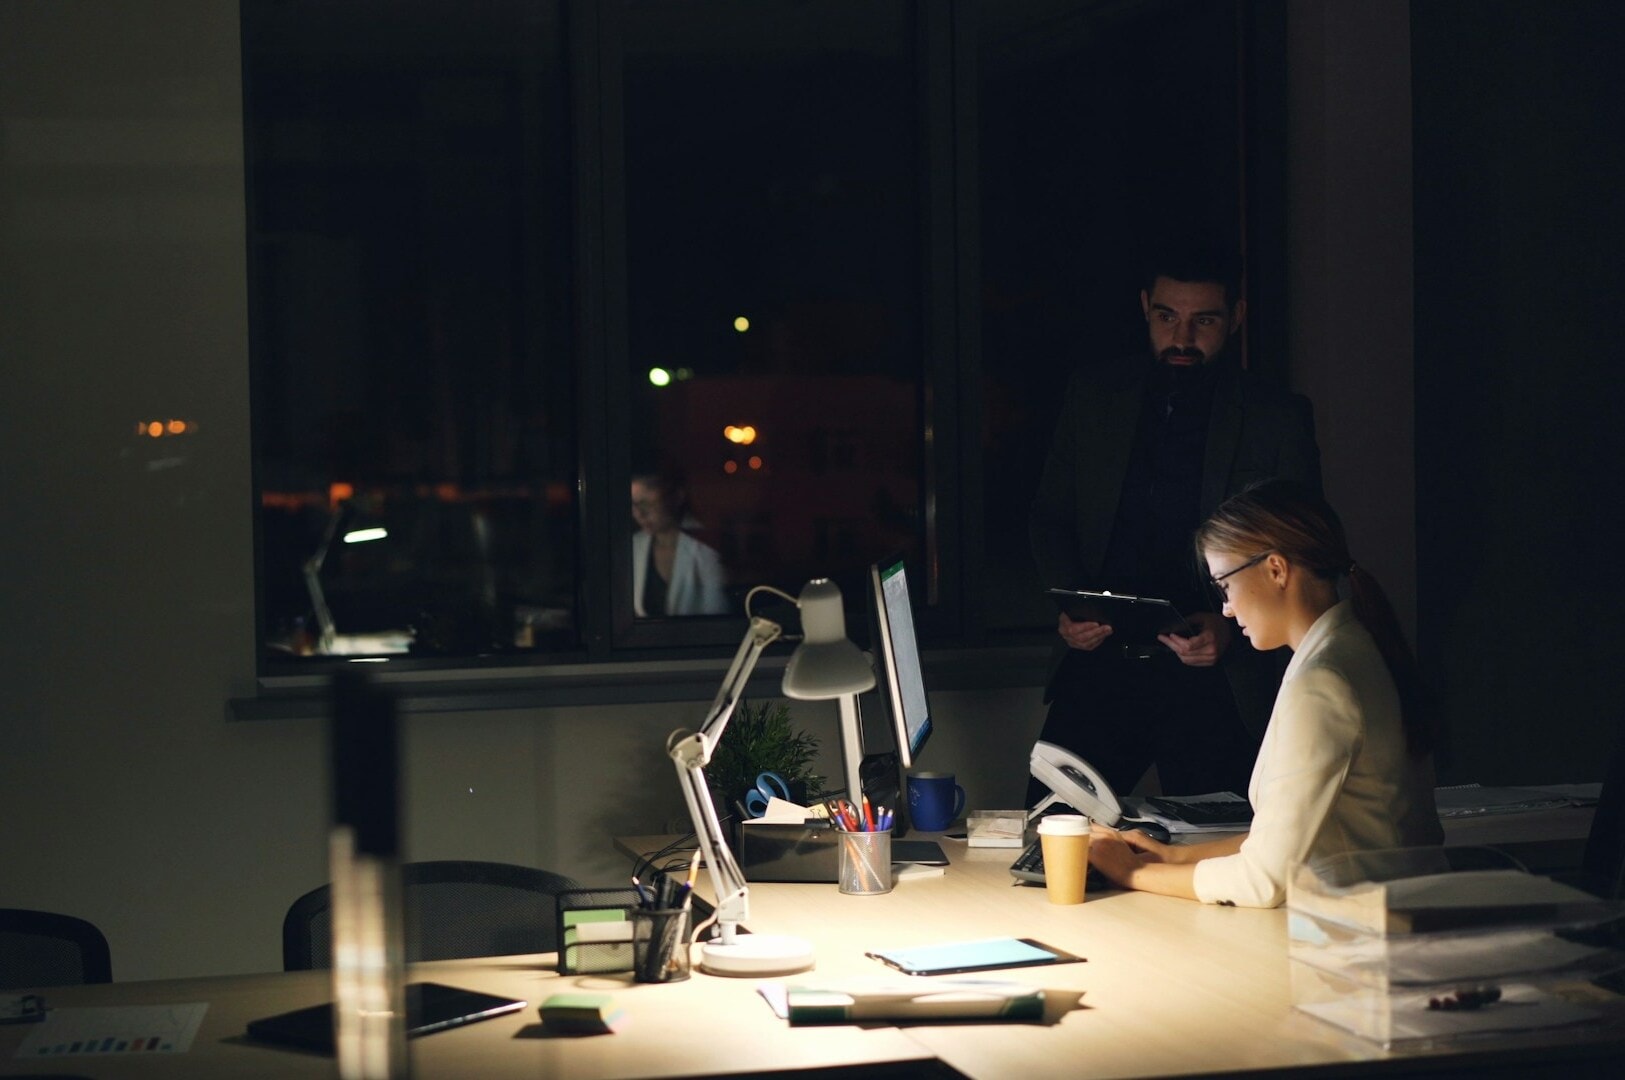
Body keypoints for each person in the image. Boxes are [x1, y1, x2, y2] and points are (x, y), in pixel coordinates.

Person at [1029, 245, 1321, 800]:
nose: (1182, 338)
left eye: (1203, 320)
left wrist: (1230, 628)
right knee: (1046, 842)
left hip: (1217, 678)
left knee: (1224, 853)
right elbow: (1049, 518)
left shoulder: (1276, 416)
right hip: (1101, 661)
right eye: (1167, 317)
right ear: (1145, 307)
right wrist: (1069, 609)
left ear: (1235, 317)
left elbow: (1305, 551)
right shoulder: (1094, 398)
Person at [1087, 479, 1444, 908]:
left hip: (1357, 930)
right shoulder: (1357, 646)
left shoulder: (1323, 681)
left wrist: (1133, 872)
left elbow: (1263, 881)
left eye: (1225, 586)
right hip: (1385, 914)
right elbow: (1280, 843)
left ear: (1276, 569)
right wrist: (1172, 855)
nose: (1226, 608)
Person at [631, 471, 729, 616]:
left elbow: (716, 612)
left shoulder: (705, 547)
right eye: (633, 504)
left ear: (676, 497)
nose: (639, 514)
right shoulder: (635, 545)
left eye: (646, 504)